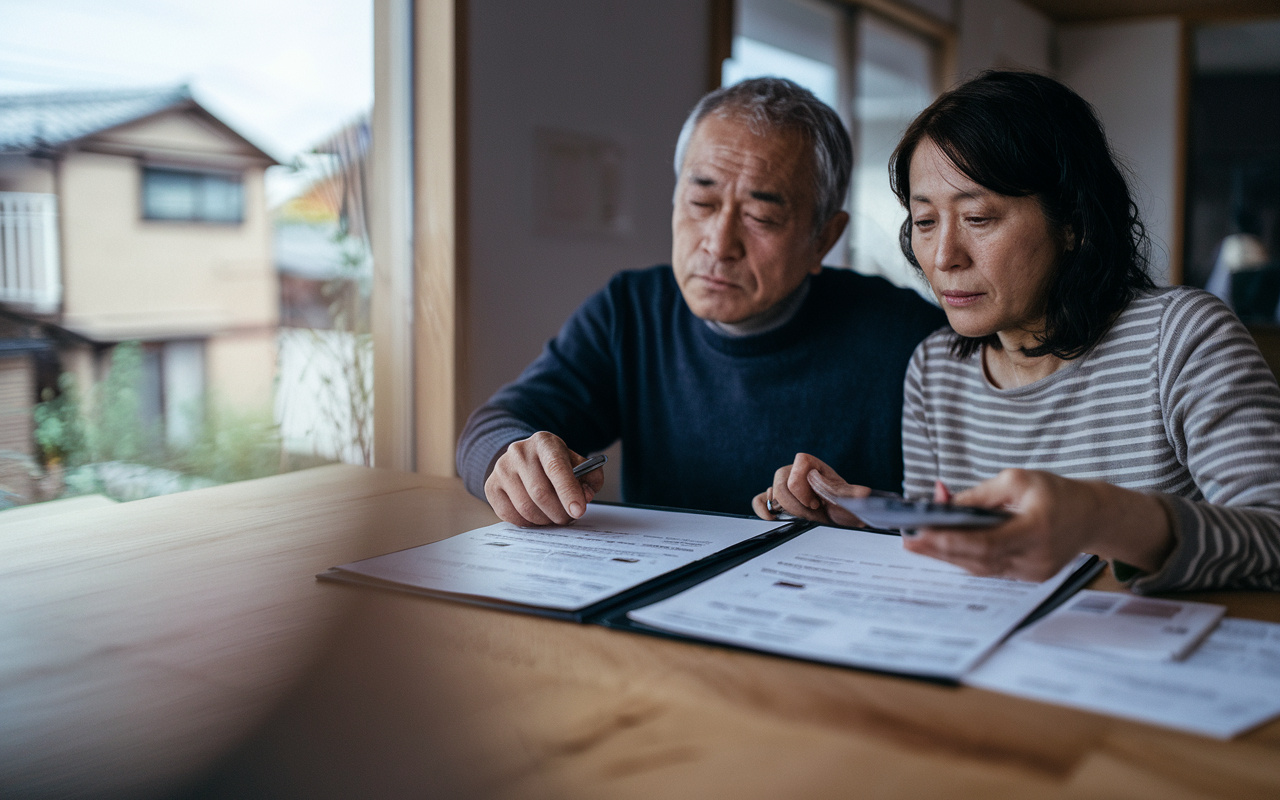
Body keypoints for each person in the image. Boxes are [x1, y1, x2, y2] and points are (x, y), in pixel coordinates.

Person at [756, 71, 1280, 594]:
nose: (944, 258)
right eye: (925, 221)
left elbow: (1272, 535)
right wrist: (866, 519)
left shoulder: (1181, 339)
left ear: (1073, 221)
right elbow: (949, 551)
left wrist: (1102, 515)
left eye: (979, 218)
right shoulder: (935, 370)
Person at [457, 77, 946, 527]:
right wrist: (510, 457)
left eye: (760, 215)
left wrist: (872, 521)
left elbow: (978, 518)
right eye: (701, 204)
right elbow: (491, 426)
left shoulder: (911, 340)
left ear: (823, 238)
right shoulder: (633, 310)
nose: (718, 243)